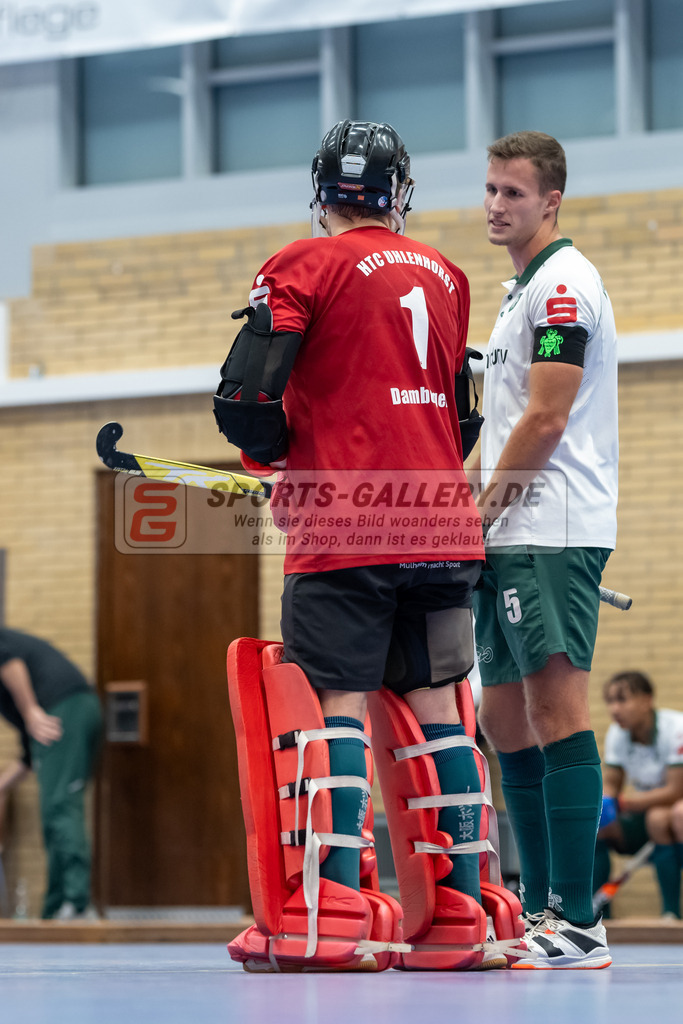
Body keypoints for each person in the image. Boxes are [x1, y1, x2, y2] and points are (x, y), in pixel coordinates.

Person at [214, 120, 520, 971]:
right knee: (439, 714)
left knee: (332, 708)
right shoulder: (448, 274)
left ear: (321, 193)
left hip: (345, 529)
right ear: (399, 194)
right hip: (439, 524)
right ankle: (460, 915)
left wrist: (279, 461)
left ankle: (332, 914)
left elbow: (245, 399)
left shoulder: (301, 264)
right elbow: (456, 415)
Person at [470, 130, 619, 969]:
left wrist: (481, 513)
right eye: (490, 189)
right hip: (508, 531)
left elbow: (547, 419)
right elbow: (502, 425)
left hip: (549, 528)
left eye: (513, 193)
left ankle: (578, 922)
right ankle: (536, 911)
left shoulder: (563, 286)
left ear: (550, 201)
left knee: (555, 712)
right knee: (502, 719)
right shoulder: (517, 292)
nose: (495, 205)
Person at [0, 627, 103, 920]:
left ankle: (77, 903)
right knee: (52, 811)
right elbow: (28, 757)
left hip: (65, 708)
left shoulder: (8, 657)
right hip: (64, 710)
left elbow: (9, 662)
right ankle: (55, 908)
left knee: (61, 805)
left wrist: (31, 711)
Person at [596, 671, 683, 919]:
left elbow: (675, 791)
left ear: (647, 700)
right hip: (648, 812)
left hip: (674, 809)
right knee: (598, 826)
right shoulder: (617, 733)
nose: (614, 709)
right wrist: (605, 804)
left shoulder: (676, 728)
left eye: (622, 700)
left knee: (661, 817)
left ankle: (671, 912)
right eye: (610, 701)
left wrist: (624, 803)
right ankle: (597, 915)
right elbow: (612, 782)